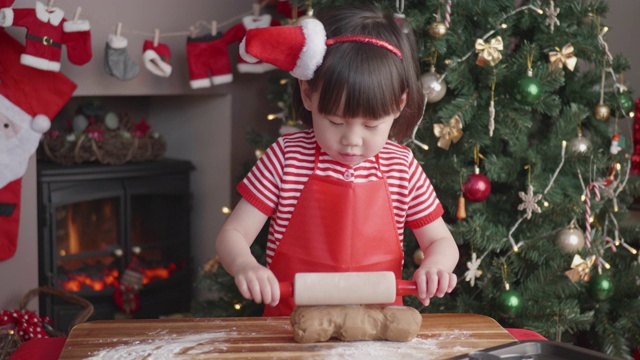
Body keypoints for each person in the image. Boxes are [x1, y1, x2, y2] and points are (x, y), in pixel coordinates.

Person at [215, 5, 459, 317]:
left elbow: (440, 240)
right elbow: (232, 236)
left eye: (371, 126)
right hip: (291, 324)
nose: (352, 140)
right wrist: (245, 266)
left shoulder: (402, 167)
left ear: (399, 105)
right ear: (307, 95)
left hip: (378, 326)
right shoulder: (285, 158)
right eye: (335, 121)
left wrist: (436, 266)